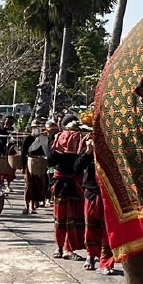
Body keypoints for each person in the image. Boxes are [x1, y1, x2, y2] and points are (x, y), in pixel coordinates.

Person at [49, 117, 87, 259]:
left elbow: (51, 162)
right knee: (66, 219)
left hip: (65, 184)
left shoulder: (58, 141)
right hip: (66, 184)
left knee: (63, 219)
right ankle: (65, 249)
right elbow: (77, 166)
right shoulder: (60, 141)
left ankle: (63, 248)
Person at [81, 136, 115, 274]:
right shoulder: (88, 146)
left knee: (108, 230)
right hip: (92, 193)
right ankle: (90, 256)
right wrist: (88, 152)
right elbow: (77, 166)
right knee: (91, 227)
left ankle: (105, 261)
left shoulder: (113, 146)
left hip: (110, 194)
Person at [22, 119, 53, 214]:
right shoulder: (28, 139)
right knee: (29, 185)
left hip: (40, 164)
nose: (36, 129)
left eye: (38, 128)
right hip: (29, 164)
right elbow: (23, 153)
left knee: (39, 185)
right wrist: (23, 167)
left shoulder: (43, 139)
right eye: (34, 127)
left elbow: (47, 151)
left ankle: (34, 205)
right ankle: (27, 206)